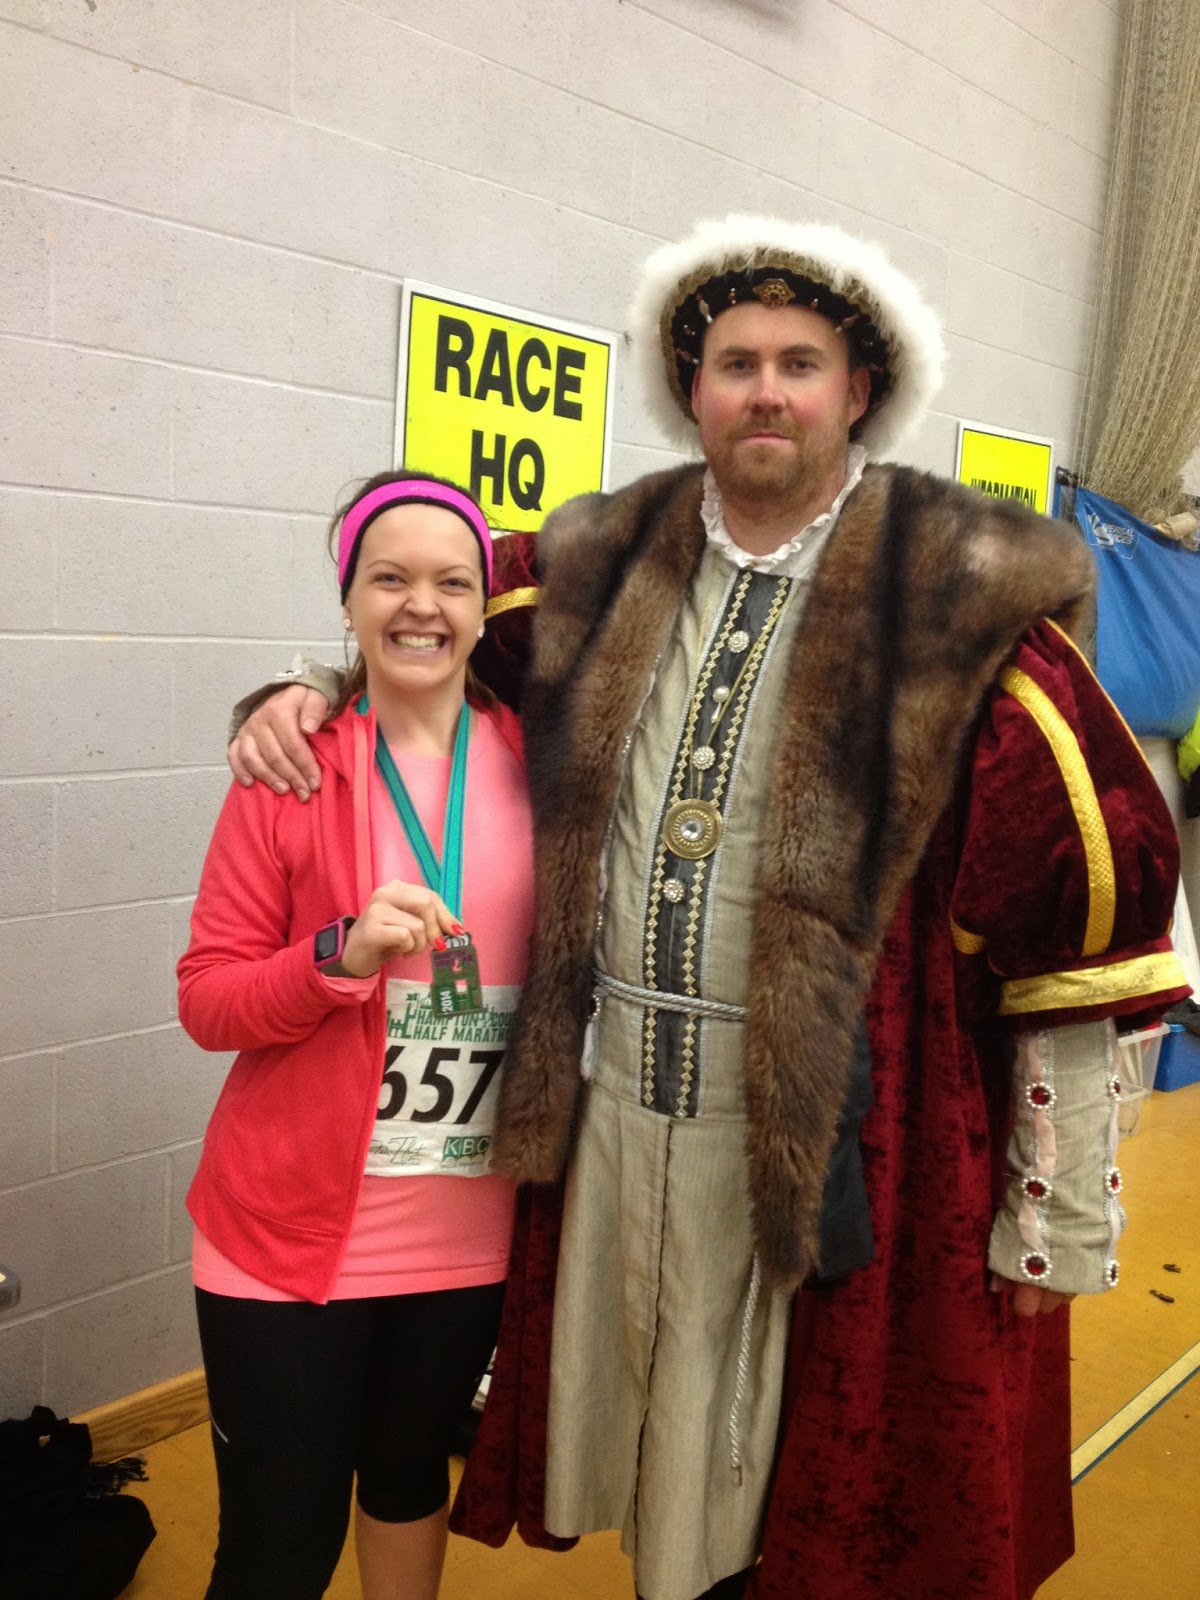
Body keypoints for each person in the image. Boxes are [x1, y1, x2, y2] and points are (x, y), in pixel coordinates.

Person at [227, 217, 1190, 1600]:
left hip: (847, 1138)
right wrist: (301, 688)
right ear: (694, 390)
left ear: (859, 391)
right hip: (617, 1114)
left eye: (801, 363)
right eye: (735, 363)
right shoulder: (596, 566)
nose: (766, 392)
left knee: (812, 1478)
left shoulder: (961, 608)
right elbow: (425, 623)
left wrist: (1058, 1216)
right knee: (660, 1459)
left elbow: (1078, 940)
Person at [178, 470, 536, 1600]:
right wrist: (338, 958)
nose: (421, 604)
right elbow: (208, 999)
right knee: (280, 1545)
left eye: (451, 581)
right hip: (286, 1238)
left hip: (468, 1234)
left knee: (407, 1482)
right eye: (389, 578)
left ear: (485, 606)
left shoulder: (548, 761)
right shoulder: (292, 768)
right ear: (348, 601)